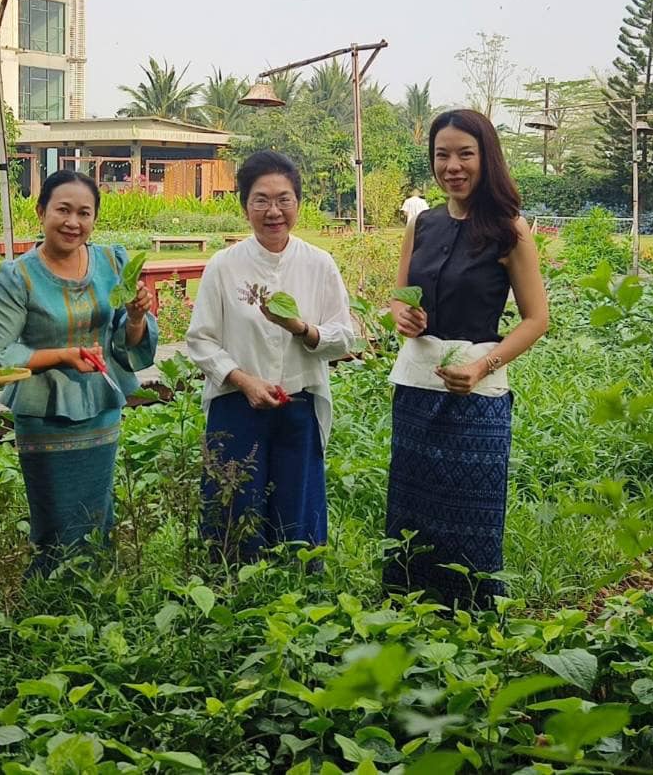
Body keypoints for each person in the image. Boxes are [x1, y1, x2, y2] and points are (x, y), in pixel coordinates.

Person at [384, 109, 549, 610]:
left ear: (486, 158)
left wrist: (483, 367)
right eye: (442, 155)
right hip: (416, 386)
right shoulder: (423, 223)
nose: (452, 166)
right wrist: (402, 315)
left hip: (477, 395)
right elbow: (399, 295)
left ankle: (472, 617)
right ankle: (406, 608)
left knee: (470, 513)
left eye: (464, 154)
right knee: (411, 511)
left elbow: (535, 319)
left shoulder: (508, 229)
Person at [0, 171, 157, 574]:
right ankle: (52, 598)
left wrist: (138, 318)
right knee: (54, 518)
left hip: (102, 407)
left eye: (84, 213)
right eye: (62, 210)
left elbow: (126, 339)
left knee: (98, 513)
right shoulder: (17, 275)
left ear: (94, 219)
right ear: (41, 212)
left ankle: (95, 594)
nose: (73, 222)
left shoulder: (113, 261)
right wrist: (61, 355)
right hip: (45, 414)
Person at [186, 151, 361, 562]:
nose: (273, 211)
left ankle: (298, 591)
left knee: (296, 511)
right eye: (260, 200)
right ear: (244, 204)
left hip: (298, 404)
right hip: (236, 405)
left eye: (284, 199)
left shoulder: (319, 264)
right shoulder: (224, 266)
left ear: (298, 203)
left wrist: (303, 328)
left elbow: (345, 337)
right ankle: (232, 587)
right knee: (234, 508)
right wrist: (244, 380)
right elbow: (201, 340)